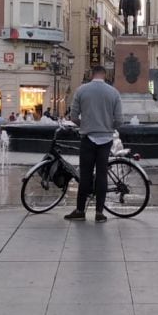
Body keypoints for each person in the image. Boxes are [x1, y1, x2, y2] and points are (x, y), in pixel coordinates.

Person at [66, 64, 123, 223]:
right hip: (105, 140)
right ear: (104, 75)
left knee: (85, 175)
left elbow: (74, 116)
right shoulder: (113, 92)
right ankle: (99, 212)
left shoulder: (81, 90)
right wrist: (108, 127)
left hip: (88, 138)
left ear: (92, 74)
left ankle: (79, 211)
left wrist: (84, 125)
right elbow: (119, 120)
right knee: (102, 175)